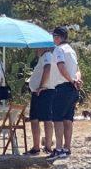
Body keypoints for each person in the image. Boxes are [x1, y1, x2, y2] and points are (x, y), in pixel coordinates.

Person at [48, 26, 82, 159]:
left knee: (58, 119)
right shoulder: (71, 50)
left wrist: (71, 80)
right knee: (68, 119)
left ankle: (59, 148)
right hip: (72, 88)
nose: (53, 39)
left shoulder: (59, 49)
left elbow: (61, 67)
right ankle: (67, 148)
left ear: (58, 37)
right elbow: (78, 69)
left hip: (62, 87)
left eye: (54, 36)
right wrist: (76, 80)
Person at [27, 44, 56, 155]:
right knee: (35, 119)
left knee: (45, 119)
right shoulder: (43, 57)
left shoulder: (47, 55)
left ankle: (47, 146)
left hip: (44, 91)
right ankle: (37, 147)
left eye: (38, 47)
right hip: (39, 91)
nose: (36, 49)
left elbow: (47, 68)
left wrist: (41, 85)